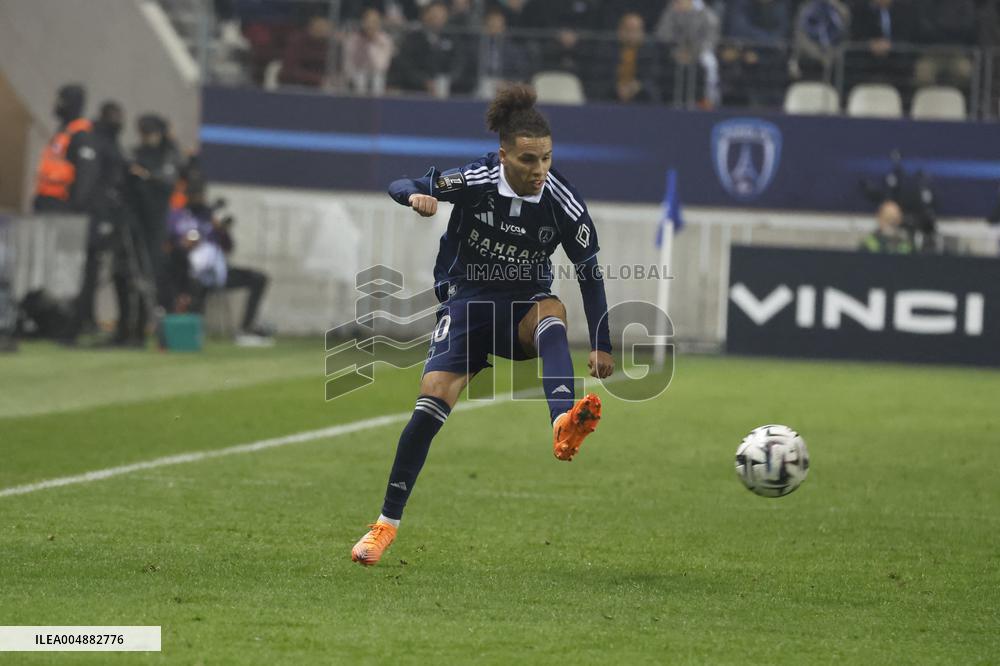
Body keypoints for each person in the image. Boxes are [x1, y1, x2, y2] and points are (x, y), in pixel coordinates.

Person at [351, 85, 615, 566]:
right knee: (428, 409)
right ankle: (383, 527)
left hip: (521, 305)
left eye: (547, 159)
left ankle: (561, 420)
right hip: (467, 301)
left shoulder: (562, 200)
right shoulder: (475, 179)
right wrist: (415, 196)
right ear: (504, 155)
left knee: (552, 314)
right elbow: (402, 182)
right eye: (529, 160)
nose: (539, 171)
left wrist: (602, 342)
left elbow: (590, 272)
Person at [166, 179, 273, 346]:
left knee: (259, 278)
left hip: (217, 271)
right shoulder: (178, 217)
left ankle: (246, 328)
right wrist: (185, 243)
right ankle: (192, 330)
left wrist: (221, 231)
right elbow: (171, 244)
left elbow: (229, 247)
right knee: (194, 284)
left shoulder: (209, 217)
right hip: (189, 272)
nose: (198, 199)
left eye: (200, 195)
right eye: (194, 195)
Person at [33, 84, 99, 214]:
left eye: (61, 101)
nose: (57, 105)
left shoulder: (81, 135)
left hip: (62, 205)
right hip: (45, 200)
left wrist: (75, 207)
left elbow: (86, 174)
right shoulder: (63, 131)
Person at [586, 12, 661, 104]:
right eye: (629, 30)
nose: (632, 35)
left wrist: (637, 85)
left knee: (651, 92)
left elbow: (652, 74)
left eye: (636, 30)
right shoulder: (607, 48)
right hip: (611, 89)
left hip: (639, 91)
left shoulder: (649, 51)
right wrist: (617, 86)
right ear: (620, 31)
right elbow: (599, 73)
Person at [342, 8, 394, 95]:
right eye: (367, 21)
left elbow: (382, 66)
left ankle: (377, 103)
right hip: (356, 75)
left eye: (374, 21)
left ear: (379, 23)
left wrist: (371, 43)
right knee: (360, 76)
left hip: (377, 75)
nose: (370, 25)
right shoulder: (353, 39)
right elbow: (348, 63)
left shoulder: (385, 40)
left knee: (377, 78)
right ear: (362, 22)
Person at [279, 14, 338, 88]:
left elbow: (332, 68)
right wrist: (318, 79)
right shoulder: (297, 40)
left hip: (320, 86)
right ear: (311, 28)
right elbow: (290, 70)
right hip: (294, 85)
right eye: (319, 28)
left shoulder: (329, 44)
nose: (323, 31)